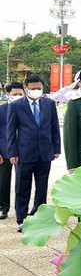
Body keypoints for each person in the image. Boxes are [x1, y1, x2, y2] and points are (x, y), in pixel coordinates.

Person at [6, 75, 61, 232]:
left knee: (42, 188)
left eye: (39, 88)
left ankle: (38, 216)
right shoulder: (16, 106)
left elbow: (54, 127)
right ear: (26, 89)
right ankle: (22, 219)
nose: (36, 91)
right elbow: (11, 132)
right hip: (24, 153)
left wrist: (56, 148)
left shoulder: (49, 104)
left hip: (45, 153)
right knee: (22, 188)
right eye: (33, 89)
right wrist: (12, 153)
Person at [0, 83, 25, 220]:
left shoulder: (27, 109)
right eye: (14, 94)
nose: (18, 97)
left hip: (23, 150)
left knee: (22, 182)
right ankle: (3, 208)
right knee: (3, 181)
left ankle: (21, 211)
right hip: (4, 151)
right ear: (7, 94)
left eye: (20, 94)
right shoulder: (1, 110)